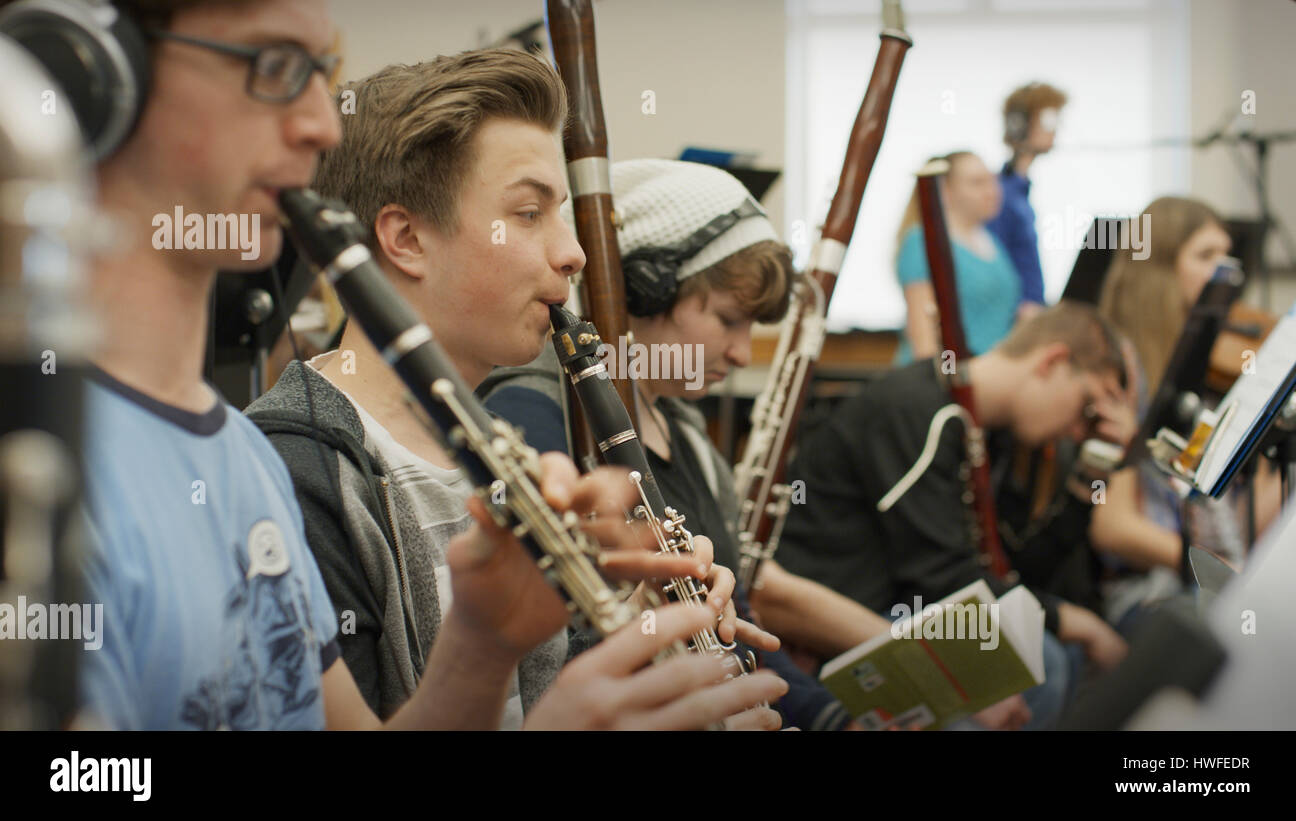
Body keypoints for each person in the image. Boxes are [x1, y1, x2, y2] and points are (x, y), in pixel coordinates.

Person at [75, 0, 784, 730]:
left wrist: (615, 641)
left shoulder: (236, 459)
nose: (321, 122)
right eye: (276, 65)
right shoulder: (284, 460)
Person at [481, 158, 1032, 731]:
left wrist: (834, 719)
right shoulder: (534, 413)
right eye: (727, 320)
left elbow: (738, 625)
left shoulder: (689, 435)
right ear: (642, 291)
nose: (743, 354)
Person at [778, 302, 1133, 727]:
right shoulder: (924, 411)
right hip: (831, 626)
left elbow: (1016, 569)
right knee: (1043, 658)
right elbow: (943, 578)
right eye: (1087, 408)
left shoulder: (988, 431)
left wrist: (1097, 469)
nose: (1079, 431)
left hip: (900, 604)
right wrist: (1078, 623)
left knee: (1049, 649)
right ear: (1052, 362)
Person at [1092, 196, 1258, 632]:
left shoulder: (1197, 365)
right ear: (1160, 268)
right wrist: (1218, 568)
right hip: (1147, 591)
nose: (1226, 273)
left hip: (1198, 576)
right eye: (1206, 256)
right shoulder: (1120, 366)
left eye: (1226, 256)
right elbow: (1113, 528)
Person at [896, 151, 1020, 363]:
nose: (992, 191)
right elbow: (923, 339)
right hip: (946, 377)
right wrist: (948, 383)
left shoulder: (991, 241)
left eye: (992, 181)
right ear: (944, 190)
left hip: (984, 376)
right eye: (977, 183)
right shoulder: (921, 241)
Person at [987, 81, 1068, 317]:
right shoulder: (999, 196)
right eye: (1048, 120)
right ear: (1017, 125)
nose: (1055, 130)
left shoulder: (1018, 193)